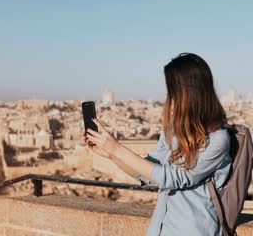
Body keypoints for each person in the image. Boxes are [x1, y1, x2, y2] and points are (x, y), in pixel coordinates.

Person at [82, 53, 232, 236]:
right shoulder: (174, 132)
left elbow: (173, 178)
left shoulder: (218, 139)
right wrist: (112, 154)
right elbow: (147, 174)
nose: (169, 96)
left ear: (190, 92)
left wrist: (117, 149)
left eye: (173, 90)